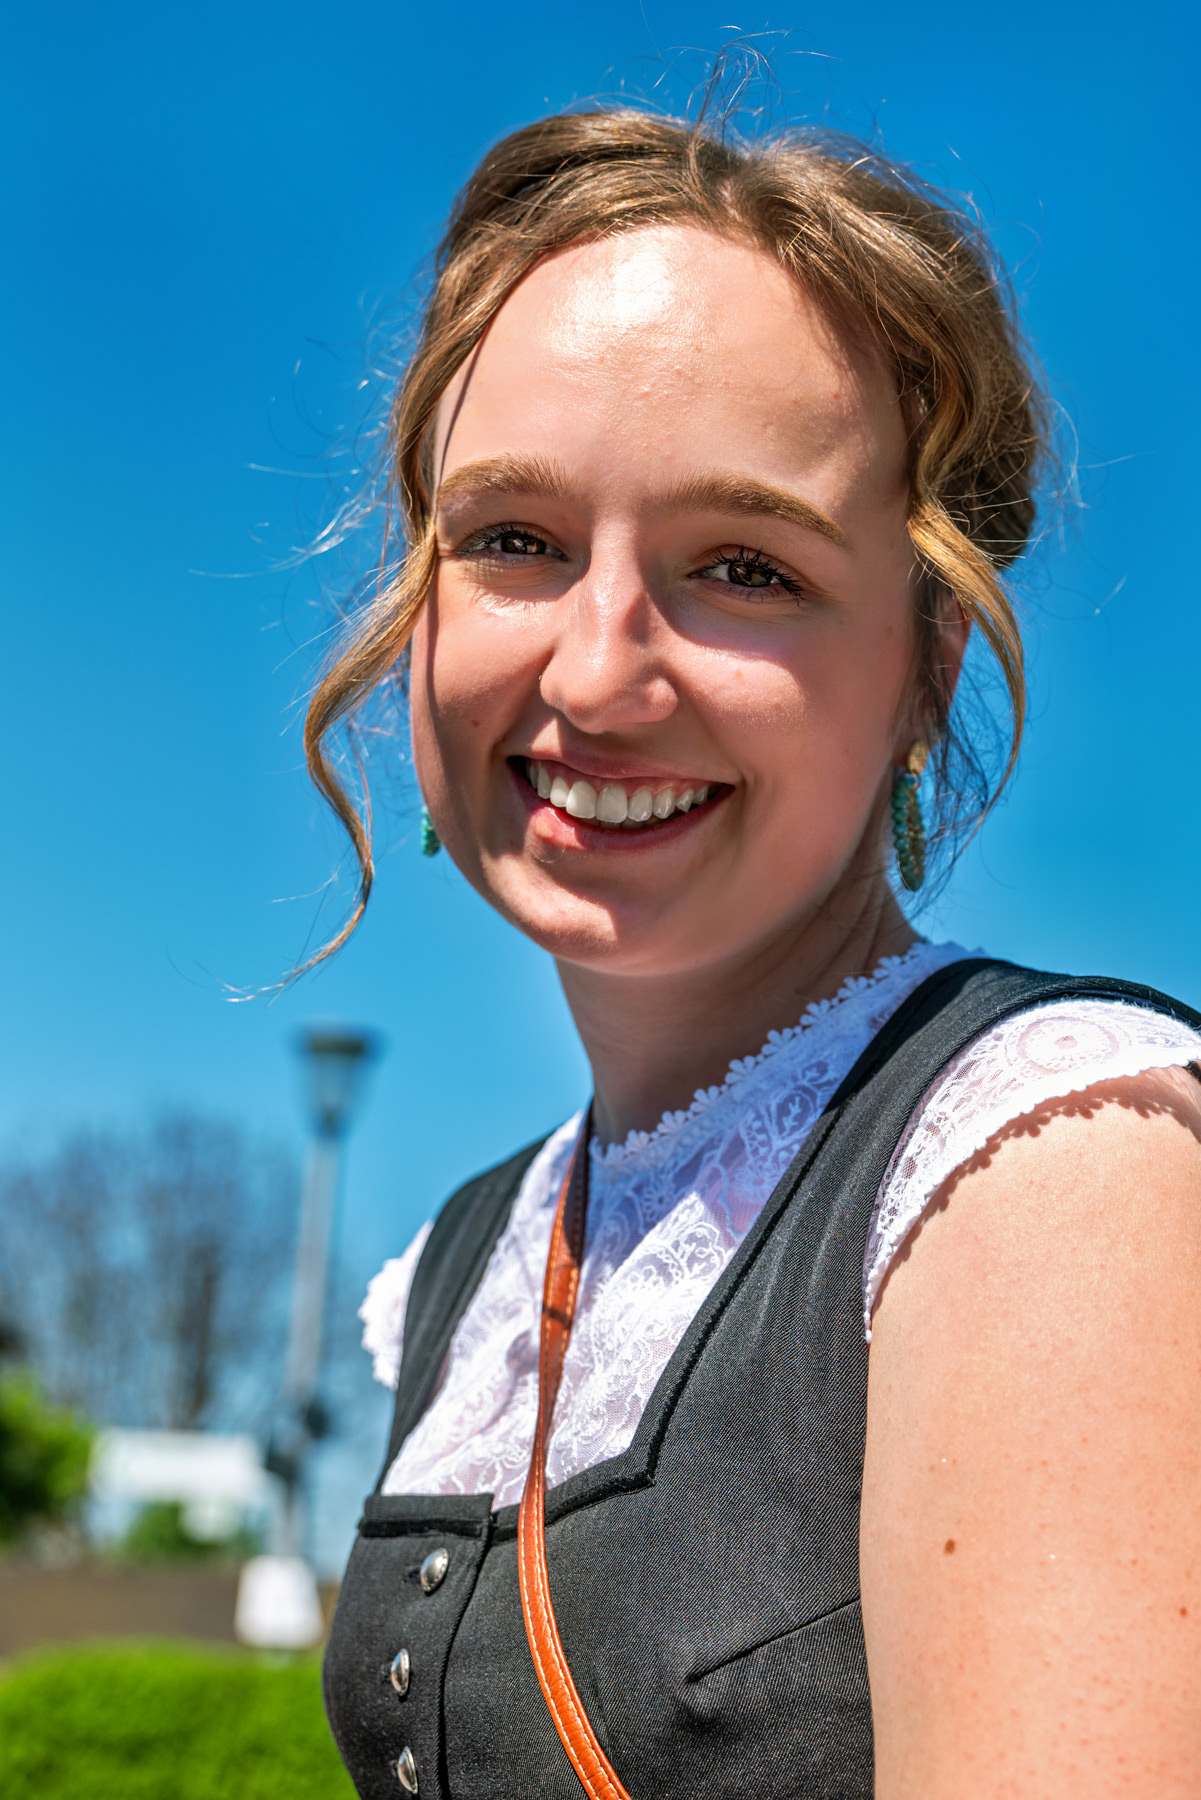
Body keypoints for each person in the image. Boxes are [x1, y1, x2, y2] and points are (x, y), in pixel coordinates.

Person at [311, 107, 1201, 1799]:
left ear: (928, 667)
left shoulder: (1045, 1164)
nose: (595, 673)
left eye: (743, 567)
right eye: (511, 540)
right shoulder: (464, 1261)